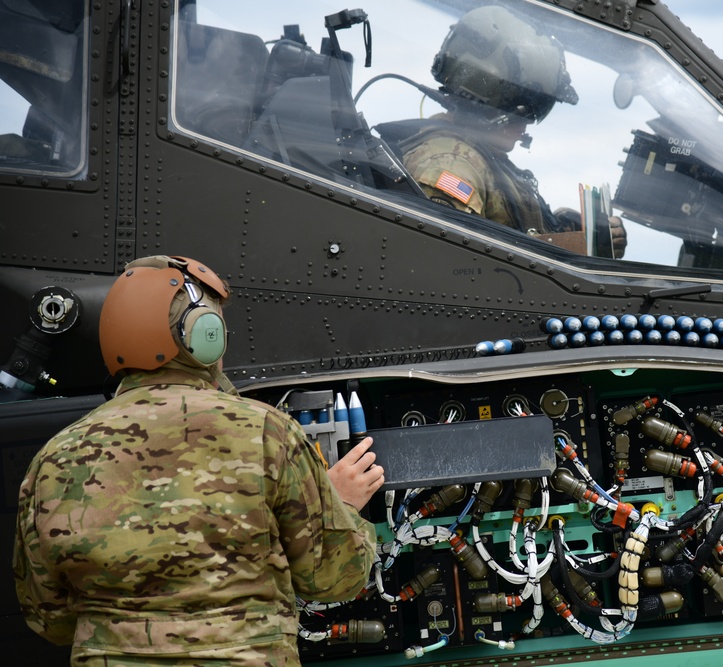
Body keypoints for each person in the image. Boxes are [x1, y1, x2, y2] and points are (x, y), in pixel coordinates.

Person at [13, 255, 384, 666]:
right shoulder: (265, 433)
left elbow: (49, 619)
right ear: (201, 335)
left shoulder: (54, 460)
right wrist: (343, 505)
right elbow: (335, 578)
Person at [376, 5, 627, 257]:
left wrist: (567, 227)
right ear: (486, 101)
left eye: (536, 112)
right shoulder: (452, 163)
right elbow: (453, 262)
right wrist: (579, 248)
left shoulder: (479, 156)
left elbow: (504, 231)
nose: (527, 124)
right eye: (522, 110)